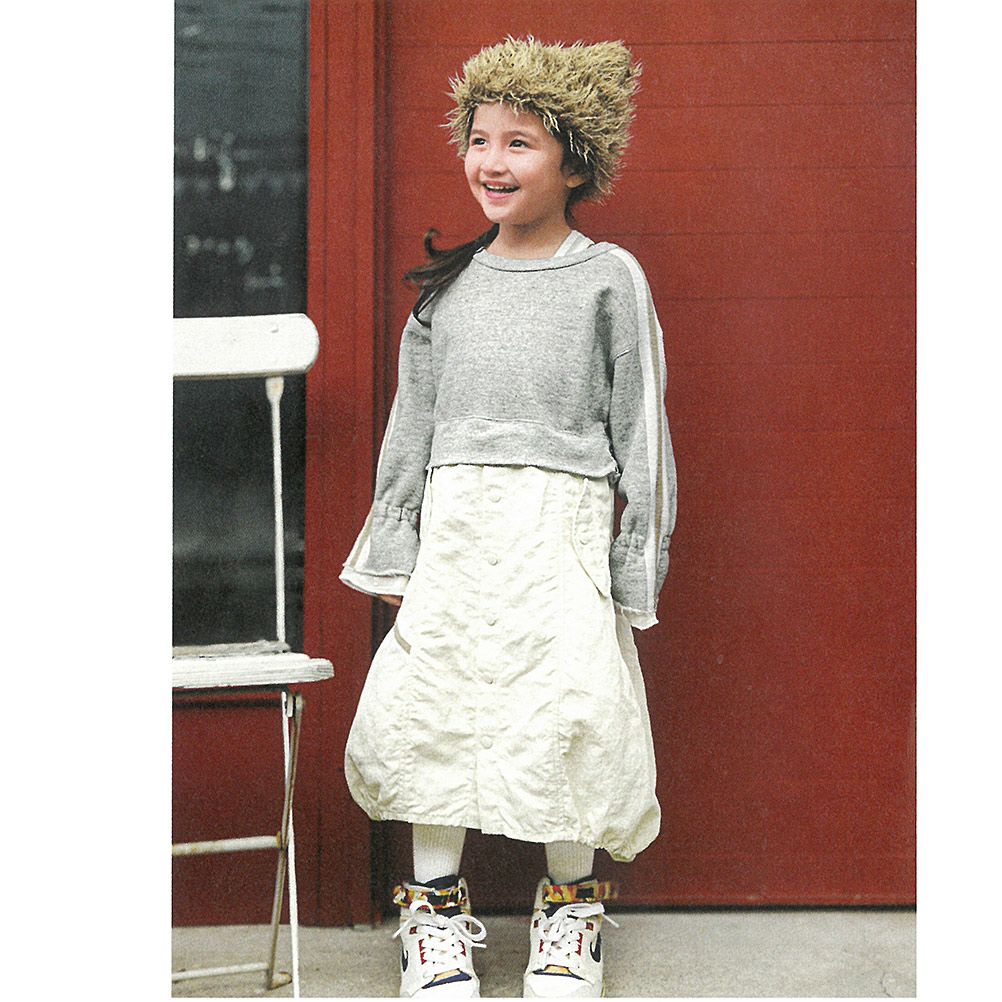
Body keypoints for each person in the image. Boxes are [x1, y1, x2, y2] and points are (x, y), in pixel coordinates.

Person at [339, 36, 677, 998]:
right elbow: (411, 431)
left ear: (575, 162)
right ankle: (433, 920)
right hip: (457, 534)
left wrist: (634, 559)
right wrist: (397, 550)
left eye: (519, 143)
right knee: (437, 709)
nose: (491, 162)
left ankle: (569, 918)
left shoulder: (608, 278)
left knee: (568, 708)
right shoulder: (448, 290)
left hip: (560, 533)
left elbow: (642, 427)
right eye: (479, 139)